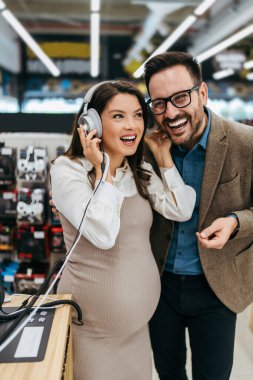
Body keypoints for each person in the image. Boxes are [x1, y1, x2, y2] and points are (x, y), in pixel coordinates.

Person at [50, 80, 196, 380]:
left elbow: (181, 209)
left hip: (137, 333)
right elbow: (104, 235)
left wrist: (163, 155)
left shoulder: (138, 171)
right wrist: (104, 170)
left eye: (138, 115)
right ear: (91, 123)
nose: (132, 125)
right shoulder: (68, 171)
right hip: (93, 334)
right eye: (118, 116)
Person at [143, 51, 253, 380]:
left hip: (217, 287)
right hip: (159, 286)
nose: (170, 113)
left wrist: (235, 222)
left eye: (180, 98)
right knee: (168, 371)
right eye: (159, 103)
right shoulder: (147, 147)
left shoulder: (244, 144)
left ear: (202, 93)